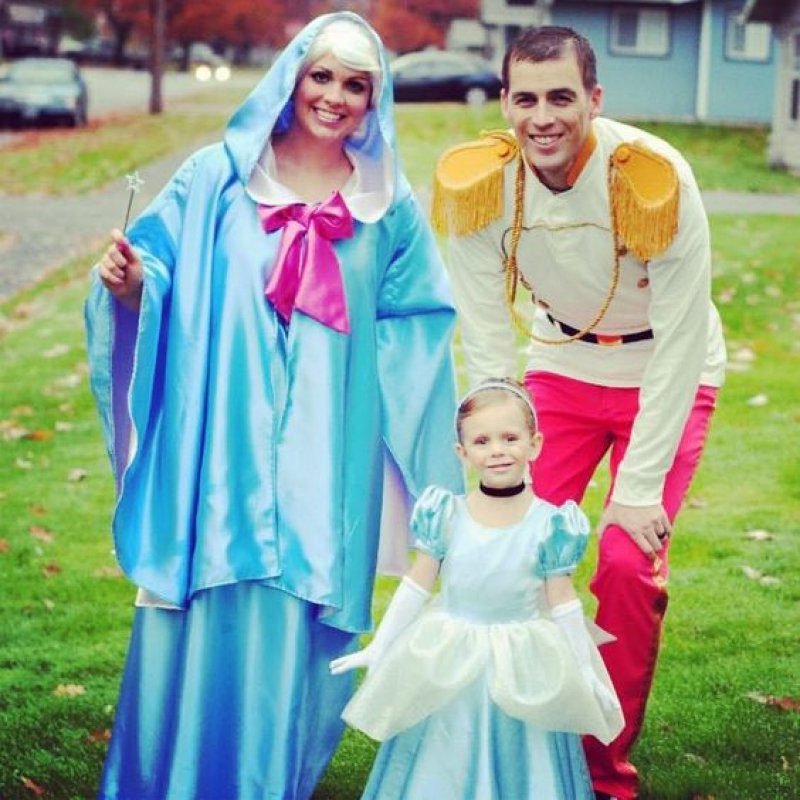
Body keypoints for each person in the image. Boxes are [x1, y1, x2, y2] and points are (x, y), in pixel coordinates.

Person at [84, 12, 462, 800]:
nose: (334, 96)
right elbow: (157, 269)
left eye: (355, 84)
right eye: (321, 76)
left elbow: (419, 320)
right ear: (291, 77)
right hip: (219, 449)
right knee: (207, 589)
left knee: (300, 605)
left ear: (374, 100)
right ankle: (168, 778)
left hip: (325, 460)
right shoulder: (215, 177)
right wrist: (130, 285)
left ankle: (266, 782)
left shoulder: (386, 206)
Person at [431, 25, 726, 800]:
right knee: (511, 549)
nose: (544, 117)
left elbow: (685, 339)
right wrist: (496, 448)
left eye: (562, 96)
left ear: (595, 98)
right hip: (559, 369)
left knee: (627, 564)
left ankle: (604, 773)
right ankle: (511, 749)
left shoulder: (657, 178)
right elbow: (491, 339)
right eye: (525, 98)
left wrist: (637, 485)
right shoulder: (480, 184)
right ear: (504, 103)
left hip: (668, 367)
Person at [330, 378, 624, 799]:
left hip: (524, 653)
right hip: (452, 650)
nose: (498, 450)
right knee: (447, 743)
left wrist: (582, 665)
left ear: (535, 444)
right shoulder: (446, 513)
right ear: (462, 453)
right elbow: (418, 583)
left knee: (522, 743)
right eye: (482, 441)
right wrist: (381, 645)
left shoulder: (552, 523)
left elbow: (562, 601)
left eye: (510, 437)